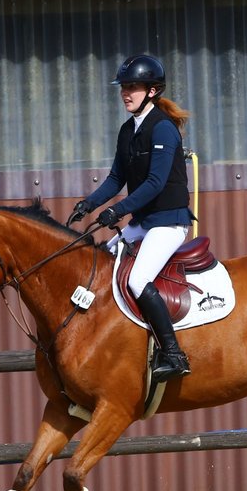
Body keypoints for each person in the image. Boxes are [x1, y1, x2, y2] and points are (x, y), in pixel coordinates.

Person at [68, 53, 193, 382]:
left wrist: (117, 210)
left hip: (169, 222)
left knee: (137, 280)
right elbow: (114, 179)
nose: (126, 93)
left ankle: (174, 354)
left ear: (152, 91)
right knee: (101, 263)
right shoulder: (128, 130)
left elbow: (155, 183)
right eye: (123, 87)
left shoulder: (163, 129)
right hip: (144, 222)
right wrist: (89, 204)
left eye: (133, 87)